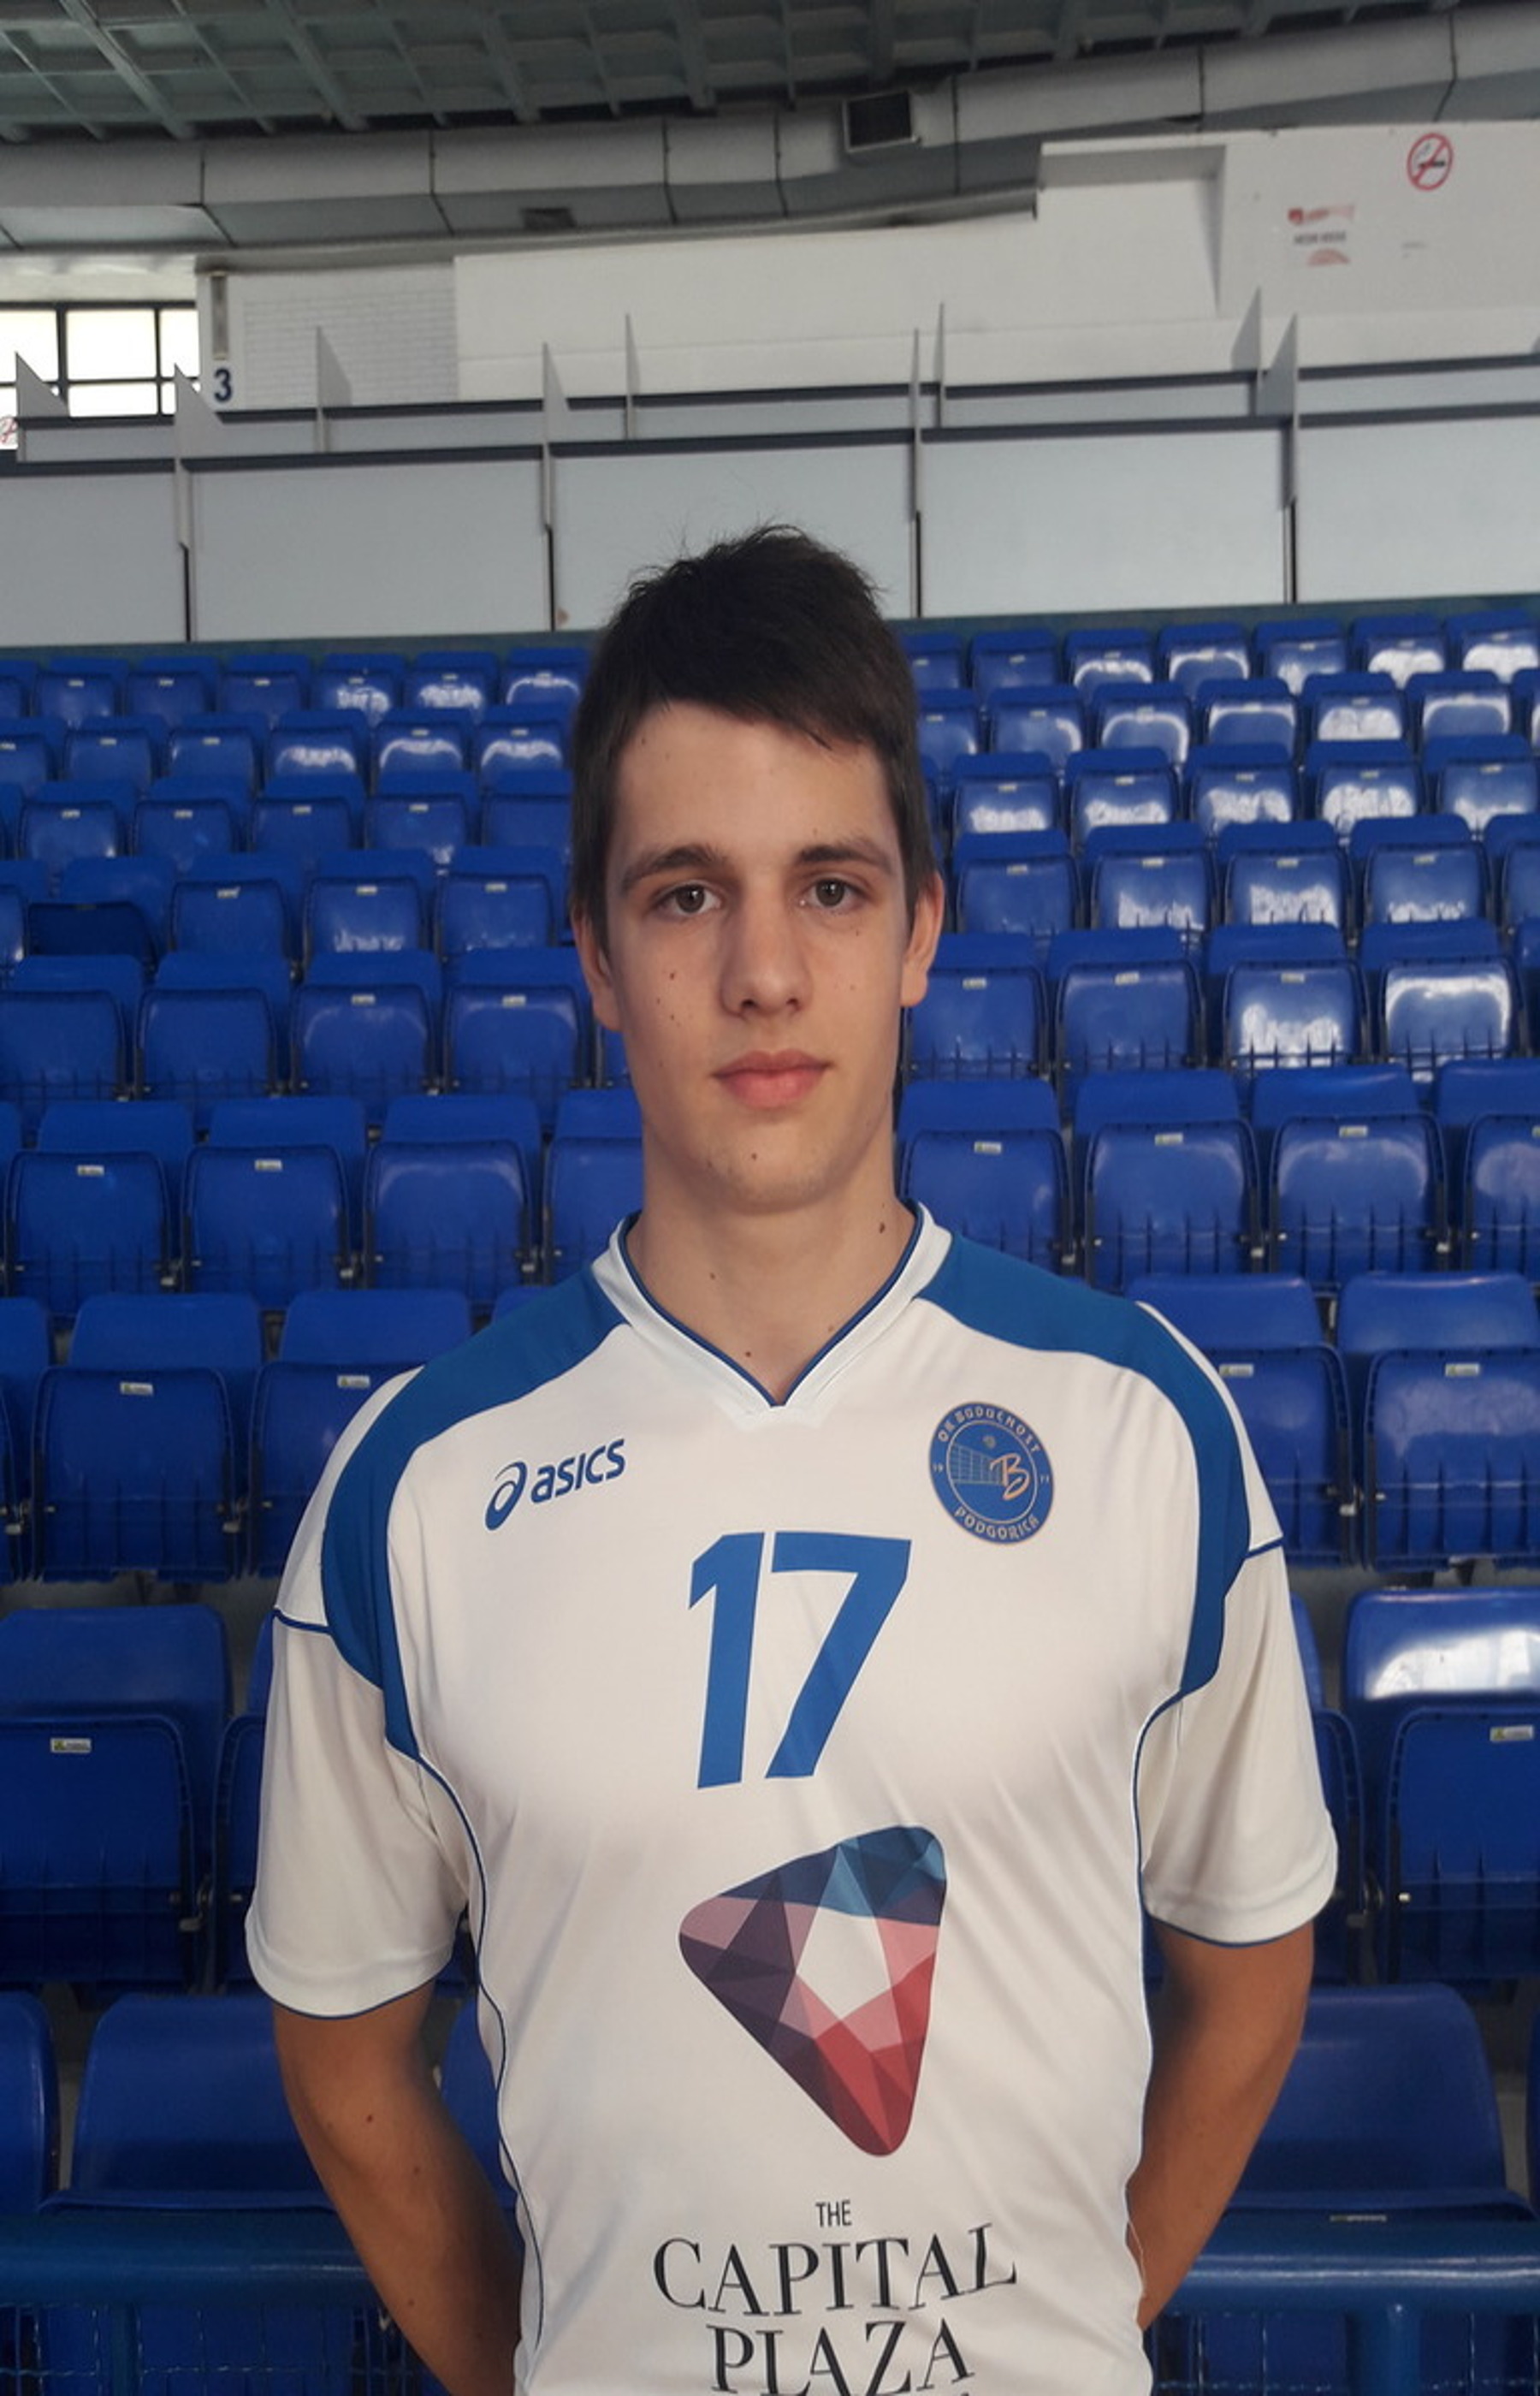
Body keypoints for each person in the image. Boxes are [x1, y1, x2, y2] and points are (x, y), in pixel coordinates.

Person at [249, 525, 1336, 2396]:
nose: (762, 971)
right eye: (686, 895)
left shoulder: (1140, 1422)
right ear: (598, 957)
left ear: (919, 932)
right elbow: (345, 2070)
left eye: (830, 887)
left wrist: (1069, 2323)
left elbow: (1251, 1977)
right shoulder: (413, 1492)